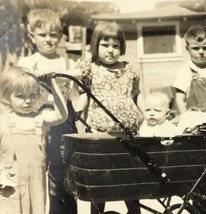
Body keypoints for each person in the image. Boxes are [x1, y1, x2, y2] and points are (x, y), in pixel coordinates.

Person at [75, 21, 144, 214]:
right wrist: (78, 112)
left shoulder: (129, 69)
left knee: (130, 179)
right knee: (100, 182)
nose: (111, 50)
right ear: (96, 46)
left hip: (127, 135)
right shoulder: (91, 69)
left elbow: (137, 94)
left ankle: (134, 211)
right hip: (100, 136)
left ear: (121, 47)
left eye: (115, 46)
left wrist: (148, 114)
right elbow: (84, 95)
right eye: (105, 45)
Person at [17, 9, 81, 214]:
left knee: (62, 178)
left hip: (64, 123)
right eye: (43, 35)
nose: (49, 40)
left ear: (60, 36)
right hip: (35, 120)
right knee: (32, 176)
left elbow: (76, 98)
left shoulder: (68, 63)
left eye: (53, 35)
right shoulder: (27, 63)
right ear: (32, 36)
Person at [0, 66, 68, 214]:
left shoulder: (40, 118)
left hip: (36, 181)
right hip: (10, 180)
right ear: (7, 96)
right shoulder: (3, 121)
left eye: (32, 95)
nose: (28, 101)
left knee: (38, 209)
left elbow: (61, 115)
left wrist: (53, 86)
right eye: (20, 96)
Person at [173, 25, 206, 114]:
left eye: (205, 48)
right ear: (187, 49)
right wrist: (186, 120)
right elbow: (179, 100)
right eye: (196, 48)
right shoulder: (185, 72)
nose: (201, 52)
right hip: (195, 121)